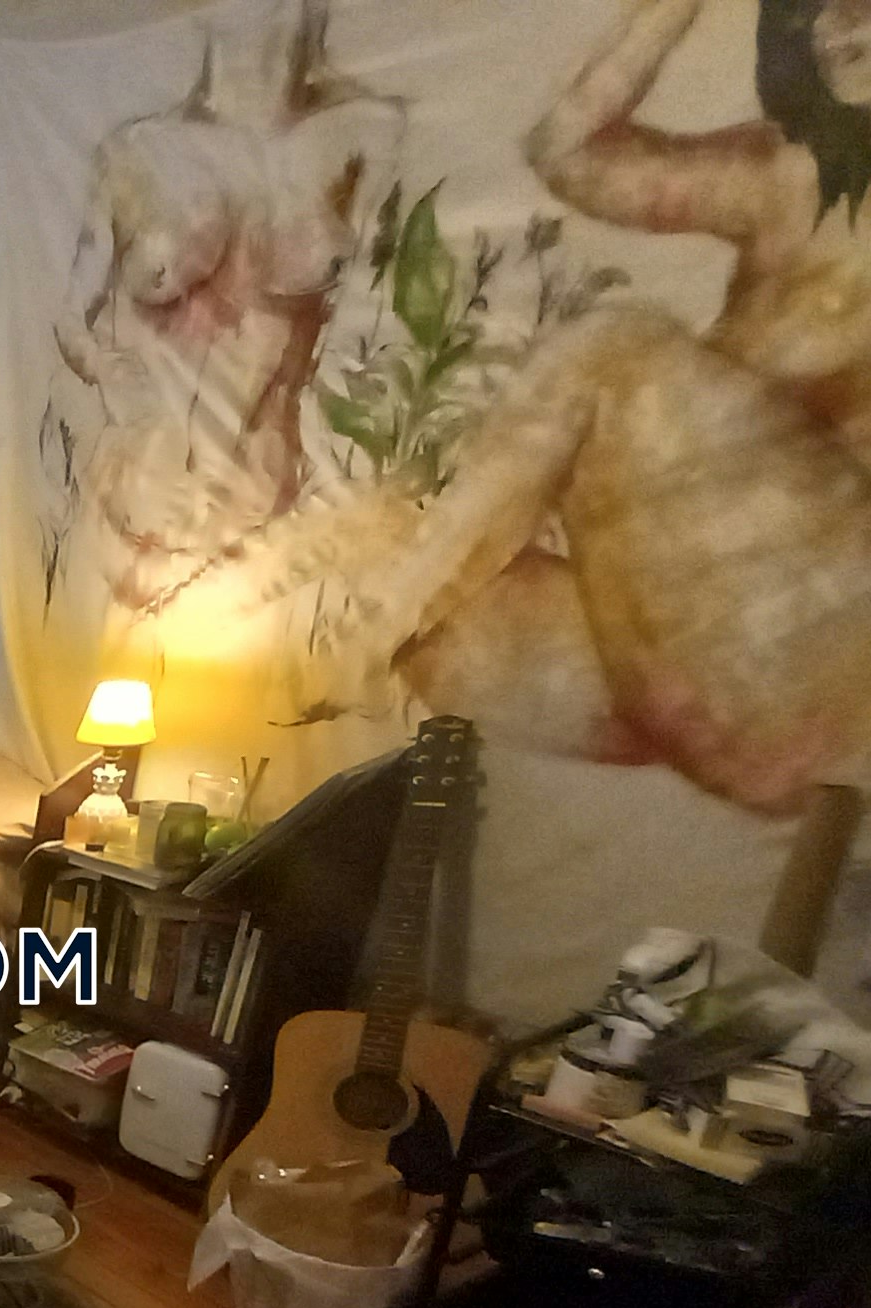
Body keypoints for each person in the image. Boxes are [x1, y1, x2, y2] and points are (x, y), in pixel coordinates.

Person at [312, 0, 871, 814]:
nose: (847, 27)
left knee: (616, 346)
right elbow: (566, 151)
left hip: (822, 646)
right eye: (830, 6)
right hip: (706, 657)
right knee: (436, 614)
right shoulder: (788, 171)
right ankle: (383, 637)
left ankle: (371, 634)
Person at [52, 0, 405, 615]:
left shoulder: (367, 133)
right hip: (142, 490)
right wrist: (104, 367)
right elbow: (68, 320)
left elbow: (373, 316)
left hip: (263, 509)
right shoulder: (137, 151)